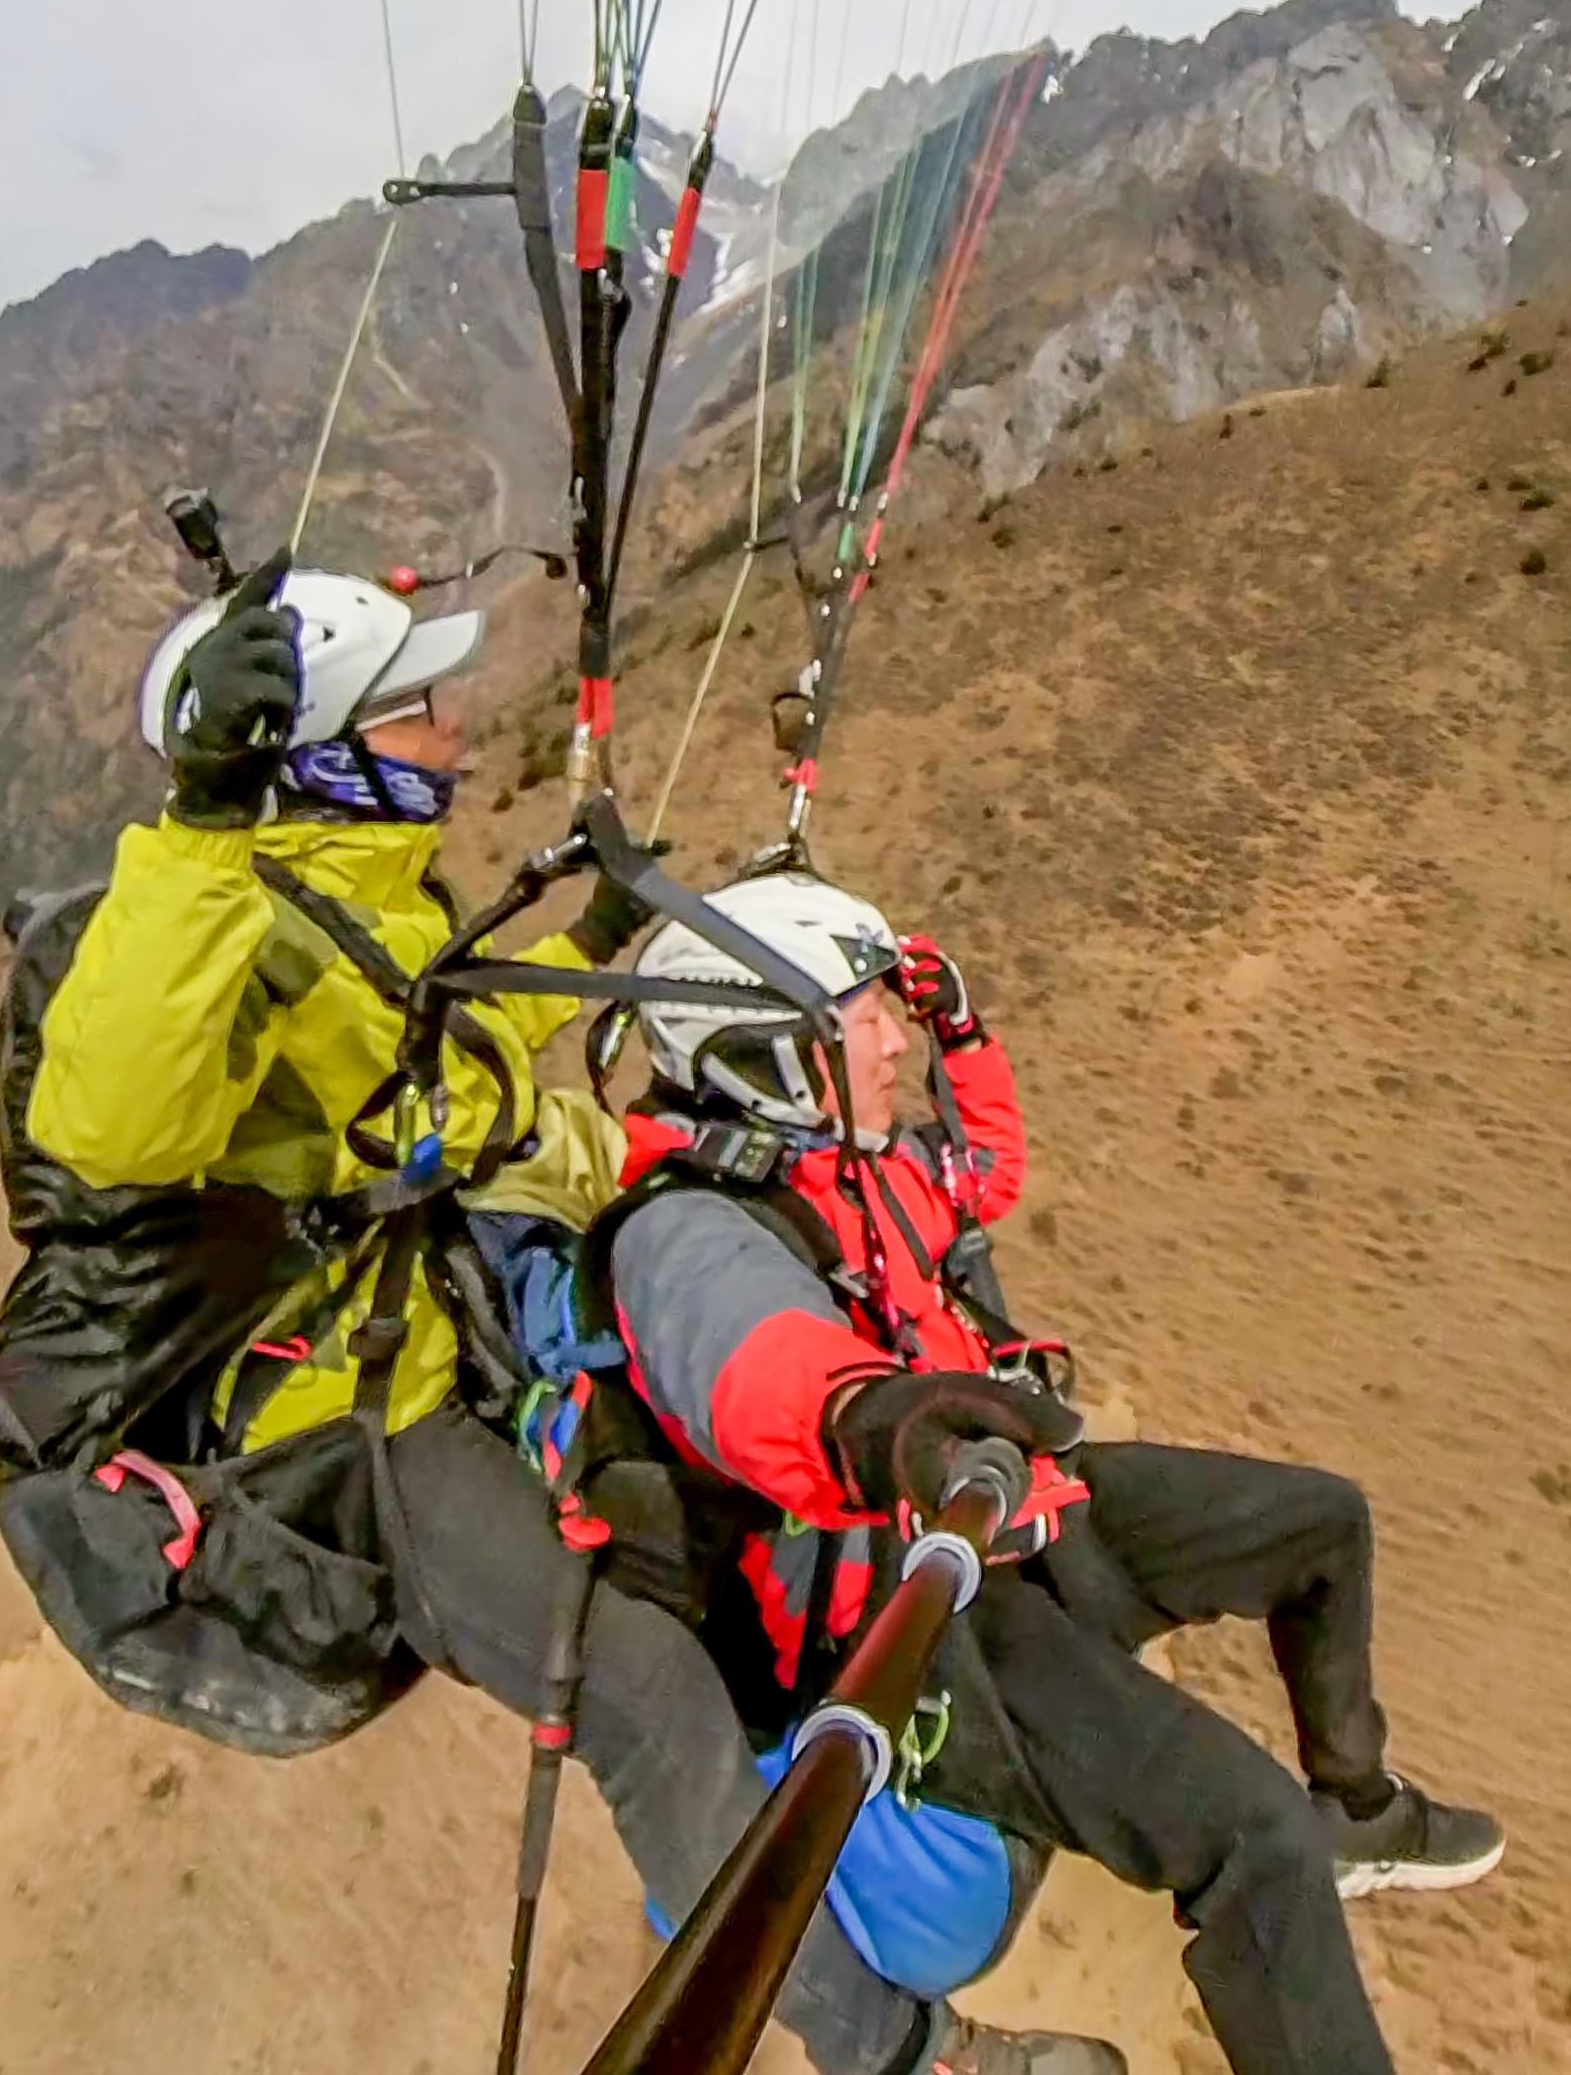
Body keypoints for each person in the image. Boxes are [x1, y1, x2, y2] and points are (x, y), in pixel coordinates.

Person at [23, 558, 1113, 2075]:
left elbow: (447, 1042)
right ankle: (903, 2056)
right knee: (639, 1680)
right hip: (356, 1409)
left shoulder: (364, 900)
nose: (458, 726)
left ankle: (879, 1794)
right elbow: (115, 1123)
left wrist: (598, 936)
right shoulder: (225, 931)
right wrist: (201, 829)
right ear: (325, 750)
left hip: (459, 1322)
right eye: (418, 710)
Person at [600, 870, 1503, 2075]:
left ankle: (1362, 1806)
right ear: (766, 1052)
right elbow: (763, 1376)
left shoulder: (853, 1168)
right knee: (1252, 1836)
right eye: (864, 1015)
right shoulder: (686, 1233)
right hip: (925, 1618)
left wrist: (967, 1036)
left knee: (1319, 1526)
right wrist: (884, 1425)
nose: (896, 1037)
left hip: (1017, 1506)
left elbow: (985, 1174)